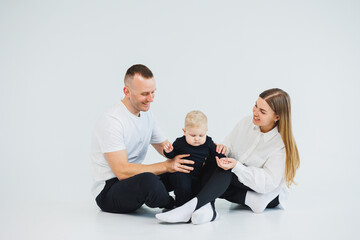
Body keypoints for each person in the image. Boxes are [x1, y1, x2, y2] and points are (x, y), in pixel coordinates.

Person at [156, 88, 300, 224]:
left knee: (224, 171)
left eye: (262, 111)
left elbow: (266, 183)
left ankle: (192, 207)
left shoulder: (280, 146)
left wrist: (237, 166)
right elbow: (228, 145)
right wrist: (221, 150)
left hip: (266, 192)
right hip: (241, 186)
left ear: (277, 117)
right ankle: (210, 207)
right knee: (214, 161)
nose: (255, 112)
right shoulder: (247, 122)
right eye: (255, 106)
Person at [90, 64, 195, 214]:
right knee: (149, 180)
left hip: (134, 181)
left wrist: (194, 151)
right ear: (127, 91)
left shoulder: (147, 115)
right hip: (109, 191)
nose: (151, 99)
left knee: (184, 165)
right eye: (145, 94)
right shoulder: (112, 121)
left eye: (153, 92)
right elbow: (122, 172)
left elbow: (164, 147)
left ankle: (193, 201)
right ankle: (175, 207)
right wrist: (166, 166)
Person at [160, 110, 226, 207]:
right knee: (182, 188)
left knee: (198, 191)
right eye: (193, 135)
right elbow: (171, 156)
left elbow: (216, 153)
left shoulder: (208, 142)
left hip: (198, 175)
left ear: (206, 131)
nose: (197, 138)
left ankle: (195, 207)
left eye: (201, 135)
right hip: (181, 173)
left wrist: (222, 157)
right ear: (184, 131)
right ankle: (180, 206)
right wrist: (169, 151)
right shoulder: (180, 142)